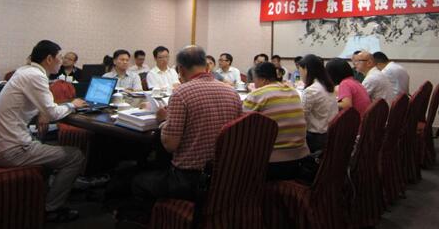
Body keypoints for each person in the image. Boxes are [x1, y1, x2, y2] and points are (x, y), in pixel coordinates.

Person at [128, 46, 242, 222]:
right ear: (207, 66)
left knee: (138, 181)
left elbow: (170, 145)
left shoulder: (181, 93)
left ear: (180, 69)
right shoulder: (232, 92)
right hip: (225, 176)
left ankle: (154, 220)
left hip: (189, 179)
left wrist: (163, 120)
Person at [0, 40, 87, 223]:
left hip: (2, 145)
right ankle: (51, 208)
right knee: (76, 156)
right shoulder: (36, 76)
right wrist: (72, 105)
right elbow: (53, 112)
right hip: (12, 150)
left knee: (49, 146)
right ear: (49, 59)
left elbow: (38, 106)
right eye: (59, 57)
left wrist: (43, 111)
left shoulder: (25, 71)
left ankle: (48, 193)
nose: (61, 61)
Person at [243, 62, 309, 180]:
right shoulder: (293, 91)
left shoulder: (257, 95)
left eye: (255, 79)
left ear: (262, 79)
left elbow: (241, 126)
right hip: (301, 158)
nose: (254, 83)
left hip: (273, 162)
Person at [298, 54, 338, 153]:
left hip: (316, 139)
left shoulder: (311, 90)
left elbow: (301, 117)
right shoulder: (327, 86)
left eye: (300, 70)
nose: (300, 74)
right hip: (330, 134)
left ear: (306, 69)